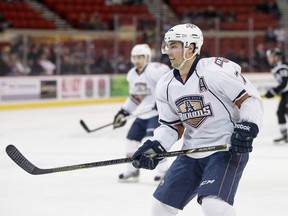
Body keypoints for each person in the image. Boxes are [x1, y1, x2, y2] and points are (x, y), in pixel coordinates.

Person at [131, 24, 263, 216]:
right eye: (167, 45)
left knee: (213, 205)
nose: (168, 50)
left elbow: (249, 98)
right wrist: (156, 146)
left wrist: (247, 127)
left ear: (191, 47)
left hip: (225, 149)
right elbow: (172, 125)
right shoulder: (165, 85)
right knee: (161, 208)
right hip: (191, 152)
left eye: (174, 45)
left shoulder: (214, 70)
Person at [113, 43, 171, 181]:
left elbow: (170, 84)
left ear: (147, 58)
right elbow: (136, 97)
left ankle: (164, 171)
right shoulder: (132, 74)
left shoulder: (155, 70)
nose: (137, 60)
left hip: (158, 114)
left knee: (151, 141)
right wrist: (124, 112)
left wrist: (162, 102)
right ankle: (132, 170)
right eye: (135, 57)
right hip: (144, 113)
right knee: (130, 141)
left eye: (140, 57)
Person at [264, 47, 288, 144]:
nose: (269, 59)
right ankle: (284, 135)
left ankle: (285, 135)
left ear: (277, 57)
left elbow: (285, 83)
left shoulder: (282, 67)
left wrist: (274, 91)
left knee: (281, 112)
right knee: (281, 112)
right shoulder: (279, 67)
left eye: (271, 57)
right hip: (285, 93)